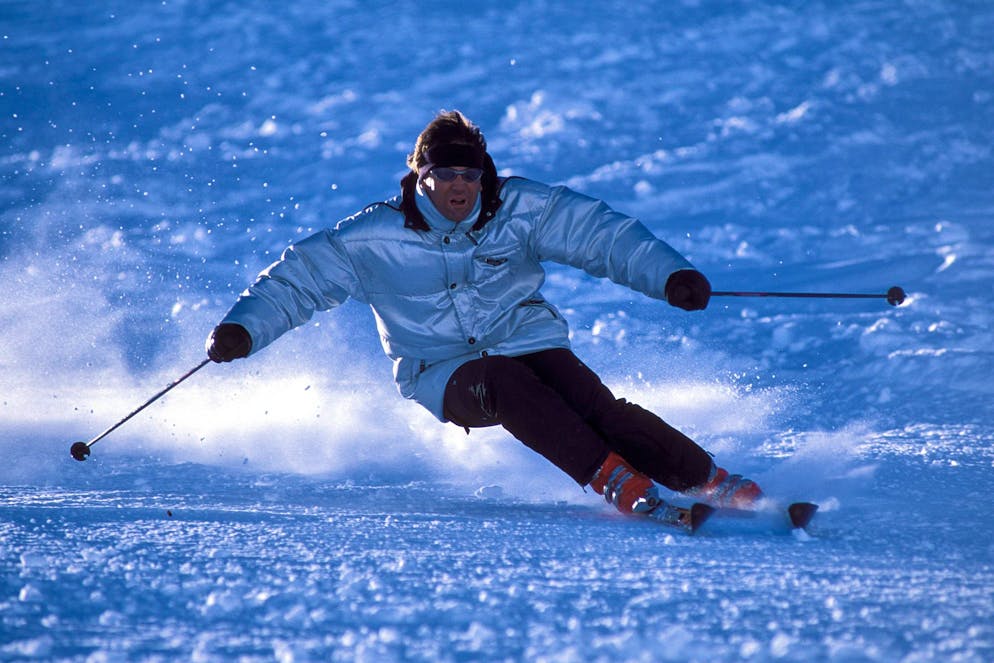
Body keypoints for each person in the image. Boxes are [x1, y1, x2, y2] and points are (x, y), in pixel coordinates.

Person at [206, 110, 761, 528]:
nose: (459, 187)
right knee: (505, 383)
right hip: (442, 369)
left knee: (593, 405)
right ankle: (619, 482)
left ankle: (710, 481)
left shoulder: (519, 210)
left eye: (470, 175)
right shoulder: (372, 237)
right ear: (420, 176)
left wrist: (670, 276)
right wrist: (244, 329)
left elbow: (600, 236)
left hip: (526, 337)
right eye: (444, 173)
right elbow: (298, 279)